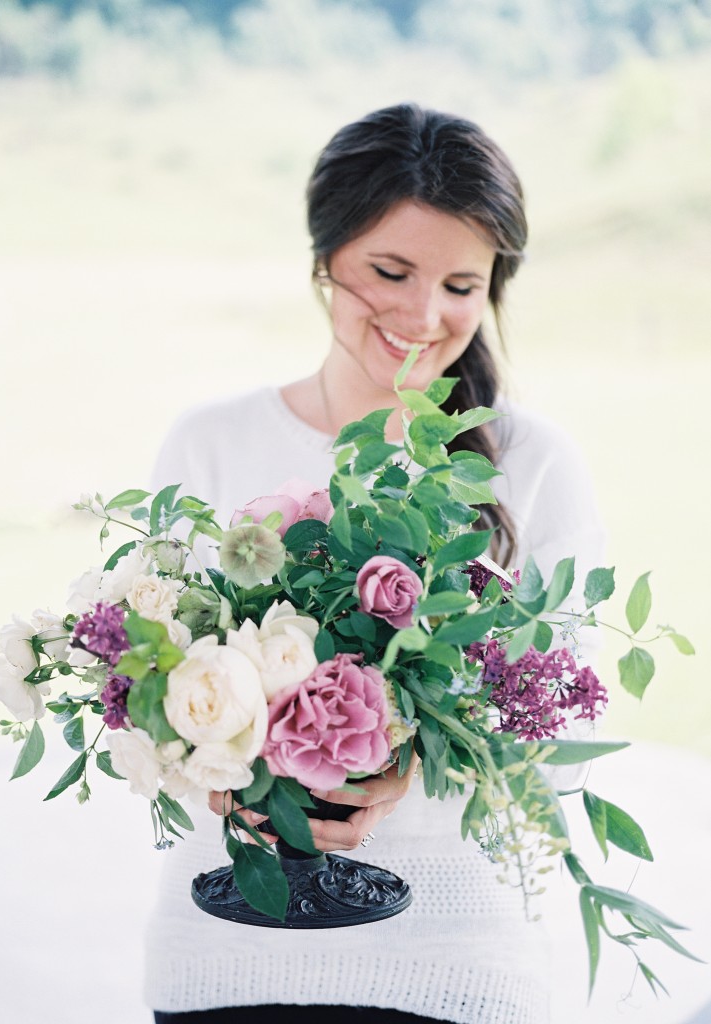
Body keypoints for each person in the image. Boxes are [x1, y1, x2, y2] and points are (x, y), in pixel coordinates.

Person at [147, 103, 604, 1023]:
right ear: (325, 259)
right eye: (388, 272)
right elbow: (141, 702)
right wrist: (229, 777)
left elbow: (560, 740)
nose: (424, 316)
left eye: (461, 285)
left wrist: (415, 765)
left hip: (458, 965)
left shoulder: (534, 463)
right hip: (229, 958)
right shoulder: (209, 445)